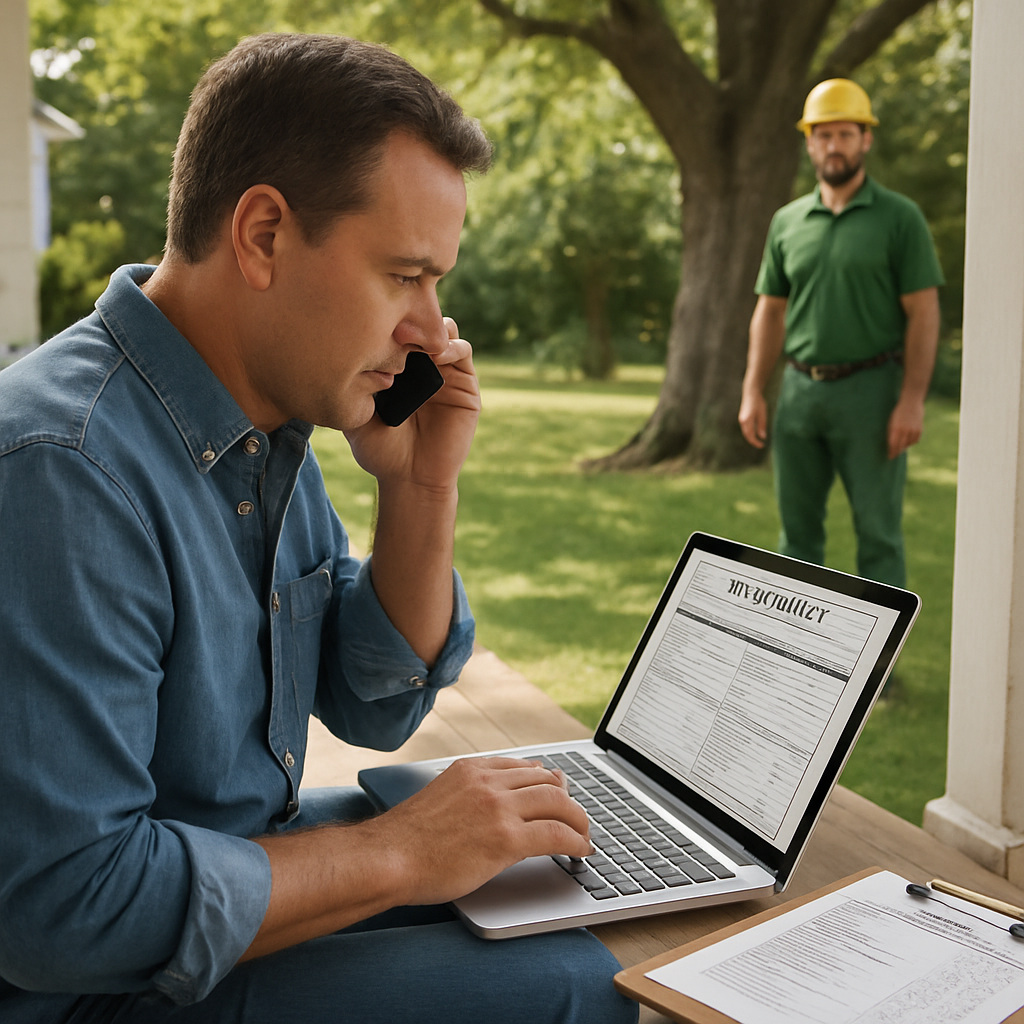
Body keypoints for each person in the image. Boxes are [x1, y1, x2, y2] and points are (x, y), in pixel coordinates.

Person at [0, 33, 637, 1024]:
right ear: (262, 235)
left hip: (215, 890)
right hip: (83, 990)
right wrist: (400, 852)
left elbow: (368, 701)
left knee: (550, 896)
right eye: (404, 275)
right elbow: (66, 909)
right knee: (583, 988)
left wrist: (420, 490)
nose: (434, 330)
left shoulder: (264, 423)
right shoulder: (61, 470)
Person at [738, 78, 944, 588]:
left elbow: (924, 311)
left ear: (865, 139)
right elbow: (769, 311)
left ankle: (881, 669)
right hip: (800, 395)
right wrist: (752, 391)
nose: (834, 145)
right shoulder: (787, 222)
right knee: (797, 540)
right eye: (823, 135)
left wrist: (912, 400)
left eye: (845, 134)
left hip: (872, 395)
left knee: (878, 535)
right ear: (809, 142)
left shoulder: (900, 219)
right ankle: (800, 666)